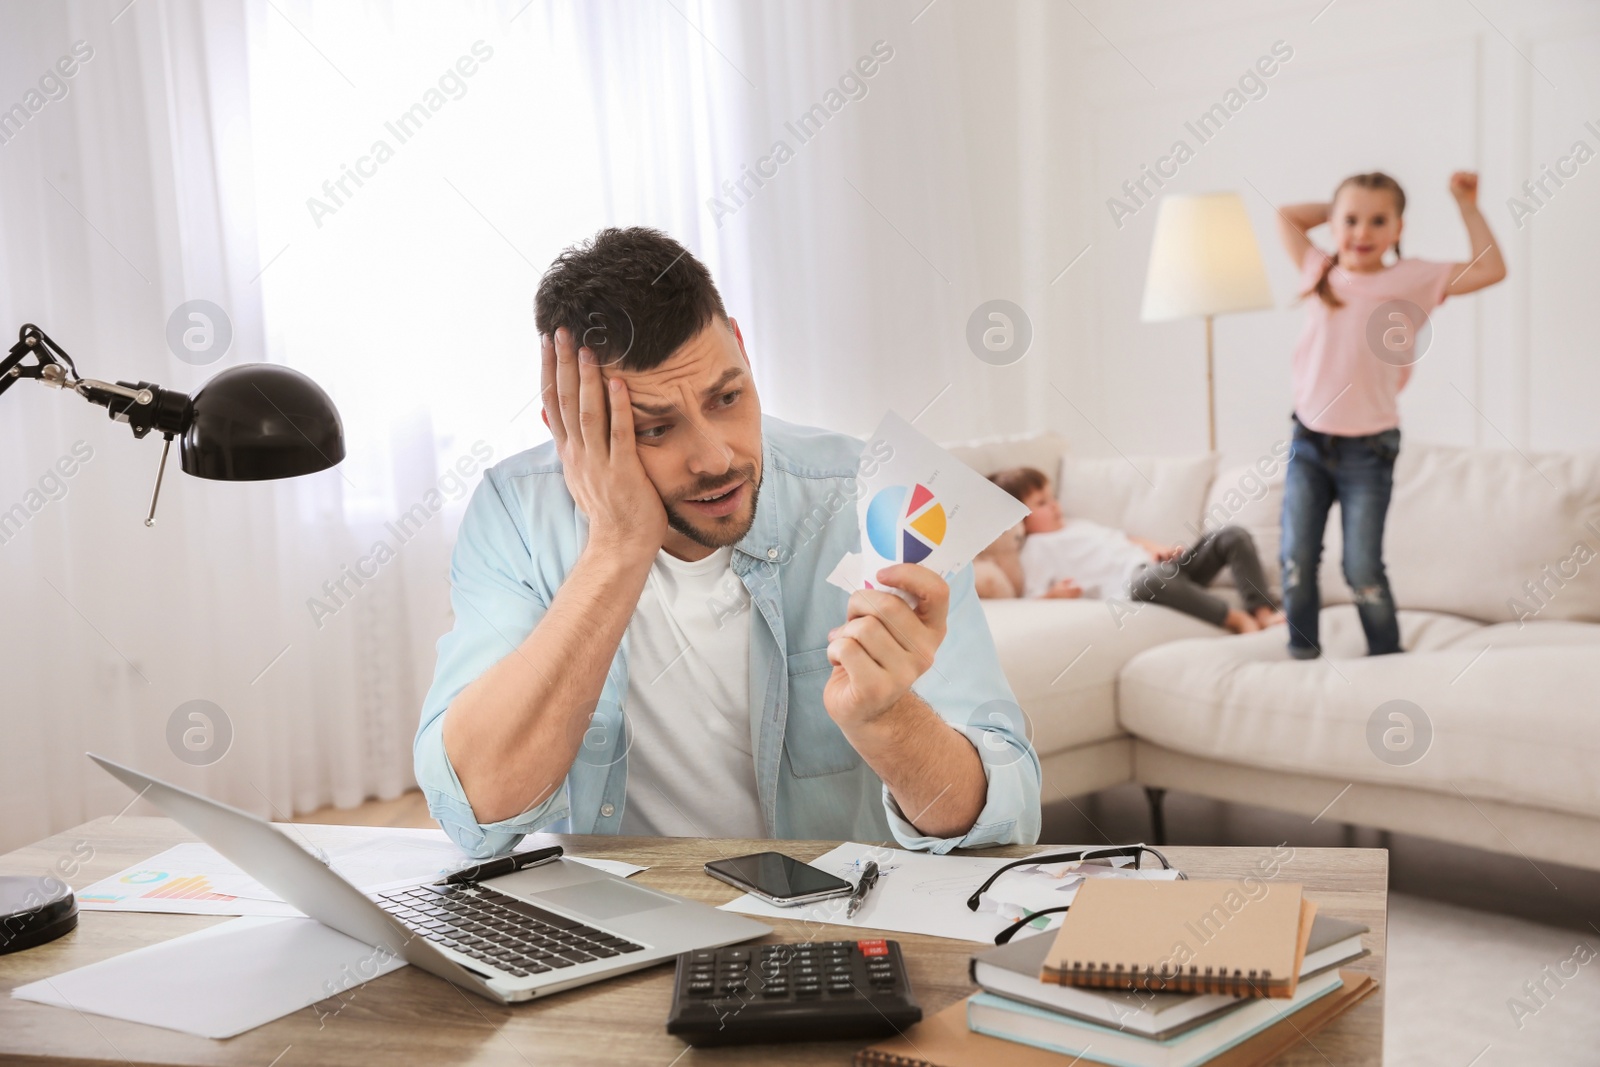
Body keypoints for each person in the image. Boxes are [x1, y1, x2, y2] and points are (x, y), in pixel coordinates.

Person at [413, 227, 1040, 859]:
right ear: (573, 429)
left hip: (831, 926)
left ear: (739, 346)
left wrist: (887, 720)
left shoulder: (878, 499)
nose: (715, 457)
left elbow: (1005, 817)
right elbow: (476, 812)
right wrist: (617, 548)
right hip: (627, 924)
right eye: (656, 428)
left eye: (728, 397)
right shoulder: (515, 512)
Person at [1275, 171, 1506, 658]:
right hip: (1309, 441)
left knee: (1362, 569)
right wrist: (1339, 207)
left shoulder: (1414, 278)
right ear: (1335, 225)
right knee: (1296, 560)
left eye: (1377, 221)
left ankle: (1387, 658)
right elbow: (1287, 216)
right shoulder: (1319, 269)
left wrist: (1467, 206)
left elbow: (1491, 269)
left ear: (1398, 229)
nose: (1362, 233)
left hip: (1369, 448)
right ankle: (1301, 656)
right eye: (1351, 221)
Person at [987, 467, 1283, 633]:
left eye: (1053, 498)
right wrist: (1055, 595)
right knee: (1148, 580)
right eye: (1041, 503)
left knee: (1231, 535)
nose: (1054, 506)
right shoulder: (1036, 550)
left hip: (1164, 569)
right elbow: (1028, 599)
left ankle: (1262, 610)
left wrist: (1158, 549)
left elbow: (1125, 539)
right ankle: (1236, 620)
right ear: (1018, 518)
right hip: (1141, 584)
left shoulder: (1076, 525)